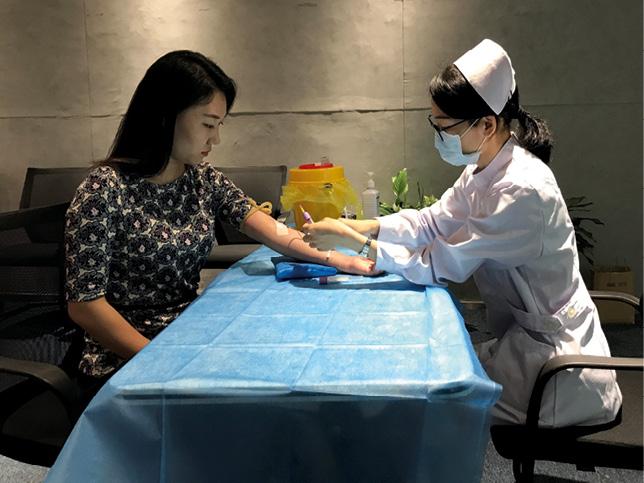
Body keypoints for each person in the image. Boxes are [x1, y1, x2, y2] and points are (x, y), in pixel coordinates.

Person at [302, 39, 621, 427]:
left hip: (561, 371)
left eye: (445, 128)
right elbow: (432, 222)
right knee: (426, 380)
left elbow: (439, 263)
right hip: (525, 343)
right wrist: (363, 225)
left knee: (428, 405)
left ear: (487, 124)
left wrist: (358, 244)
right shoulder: (483, 170)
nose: (439, 136)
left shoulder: (522, 191)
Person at [65, 50, 375, 396]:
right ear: (166, 116)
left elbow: (274, 232)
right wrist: (158, 359)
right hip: (126, 359)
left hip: (187, 335)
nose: (216, 139)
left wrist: (338, 258)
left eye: (220, 126)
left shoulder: (202, 180)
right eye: (208, 124)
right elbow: (85, 305)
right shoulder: (104, 189)